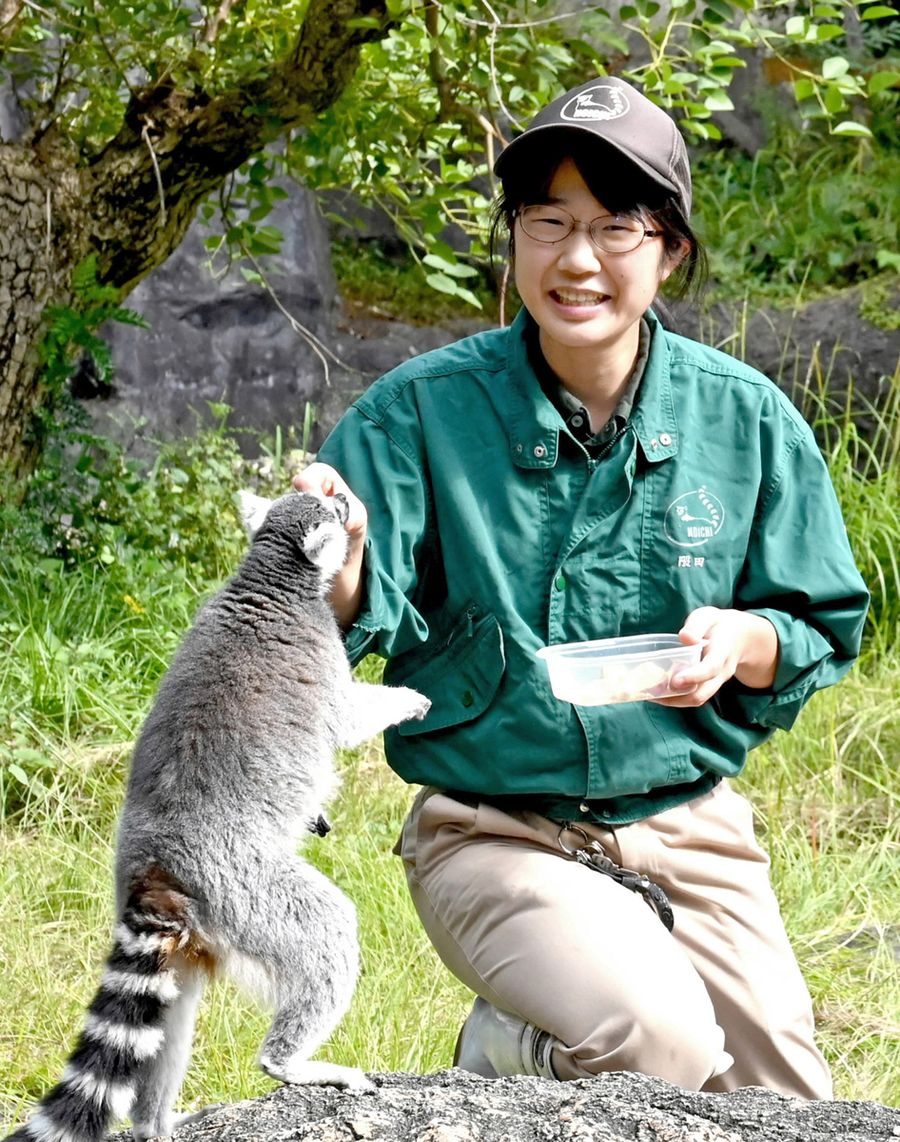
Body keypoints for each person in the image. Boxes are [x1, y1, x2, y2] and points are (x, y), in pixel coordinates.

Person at [295, 76, 868, 1097]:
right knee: (659, 1044)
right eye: (547, 222)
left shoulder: (745, 418)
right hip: (492, 826)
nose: (577, 259)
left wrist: (742, 642)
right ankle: (499, 1061)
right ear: (513, 239)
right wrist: (334, 577)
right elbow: (331, 623)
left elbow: (819, 617)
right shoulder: (415, 416)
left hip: (689, 817)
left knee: (786, 1108)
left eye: (614, 227)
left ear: (671, 250)